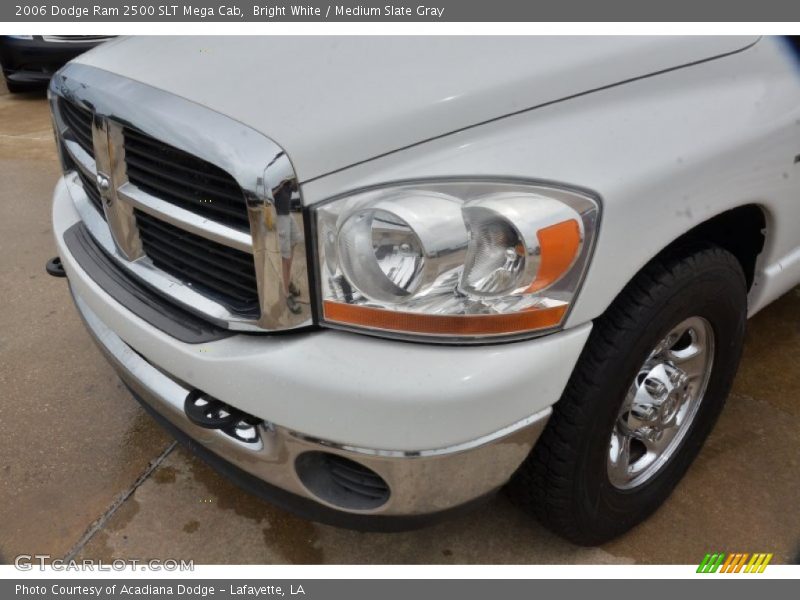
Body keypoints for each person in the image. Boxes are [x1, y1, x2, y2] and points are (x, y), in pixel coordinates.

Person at [273, 178, 303, 314]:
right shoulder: (276, 179)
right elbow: (264, 196)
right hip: (279, 217)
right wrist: (278, 187)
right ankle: (286, 293)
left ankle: (288, 281)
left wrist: (293, 180)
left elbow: (297, 188)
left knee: (296, 239)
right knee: (285, 255)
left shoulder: (288, 182)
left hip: (288, 214)